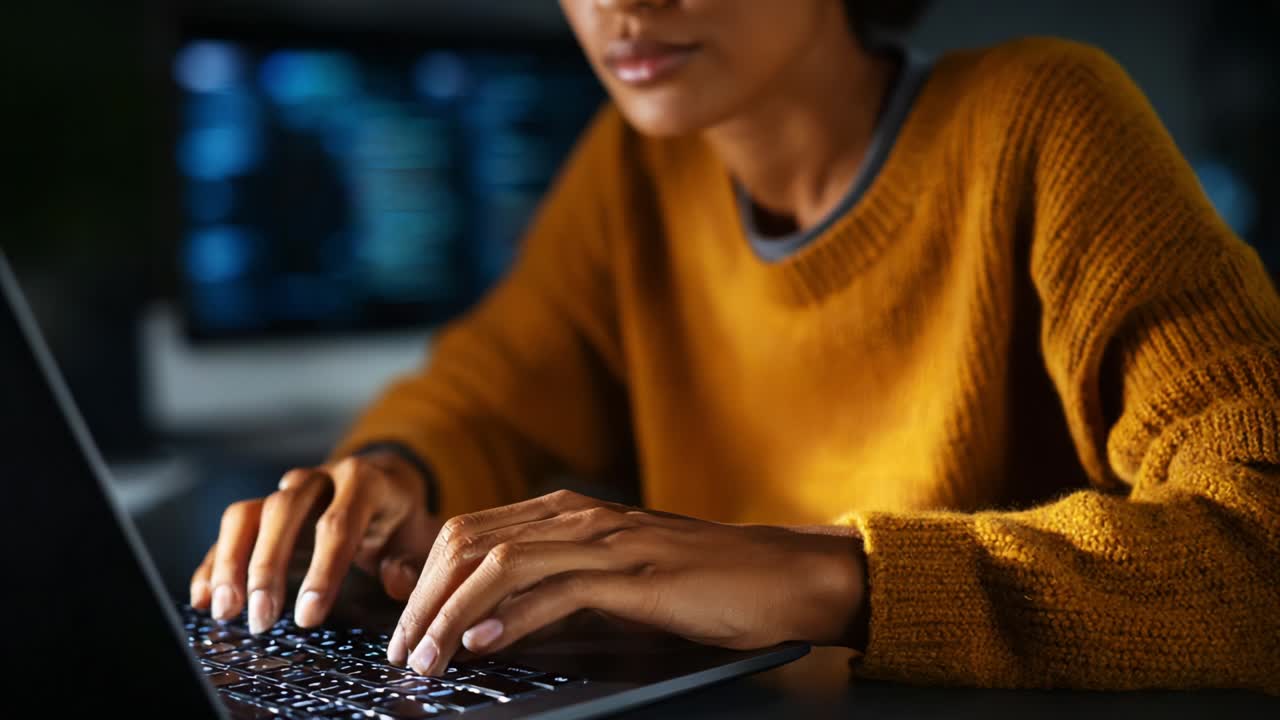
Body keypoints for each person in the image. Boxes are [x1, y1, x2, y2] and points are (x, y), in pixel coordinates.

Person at [189, 0, 1280, 690]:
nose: (620, 6)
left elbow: (1258, 546)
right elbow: (486, 393)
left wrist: (829, 575)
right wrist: (384, 477)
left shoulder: (1040, 119)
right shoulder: (634, 169)